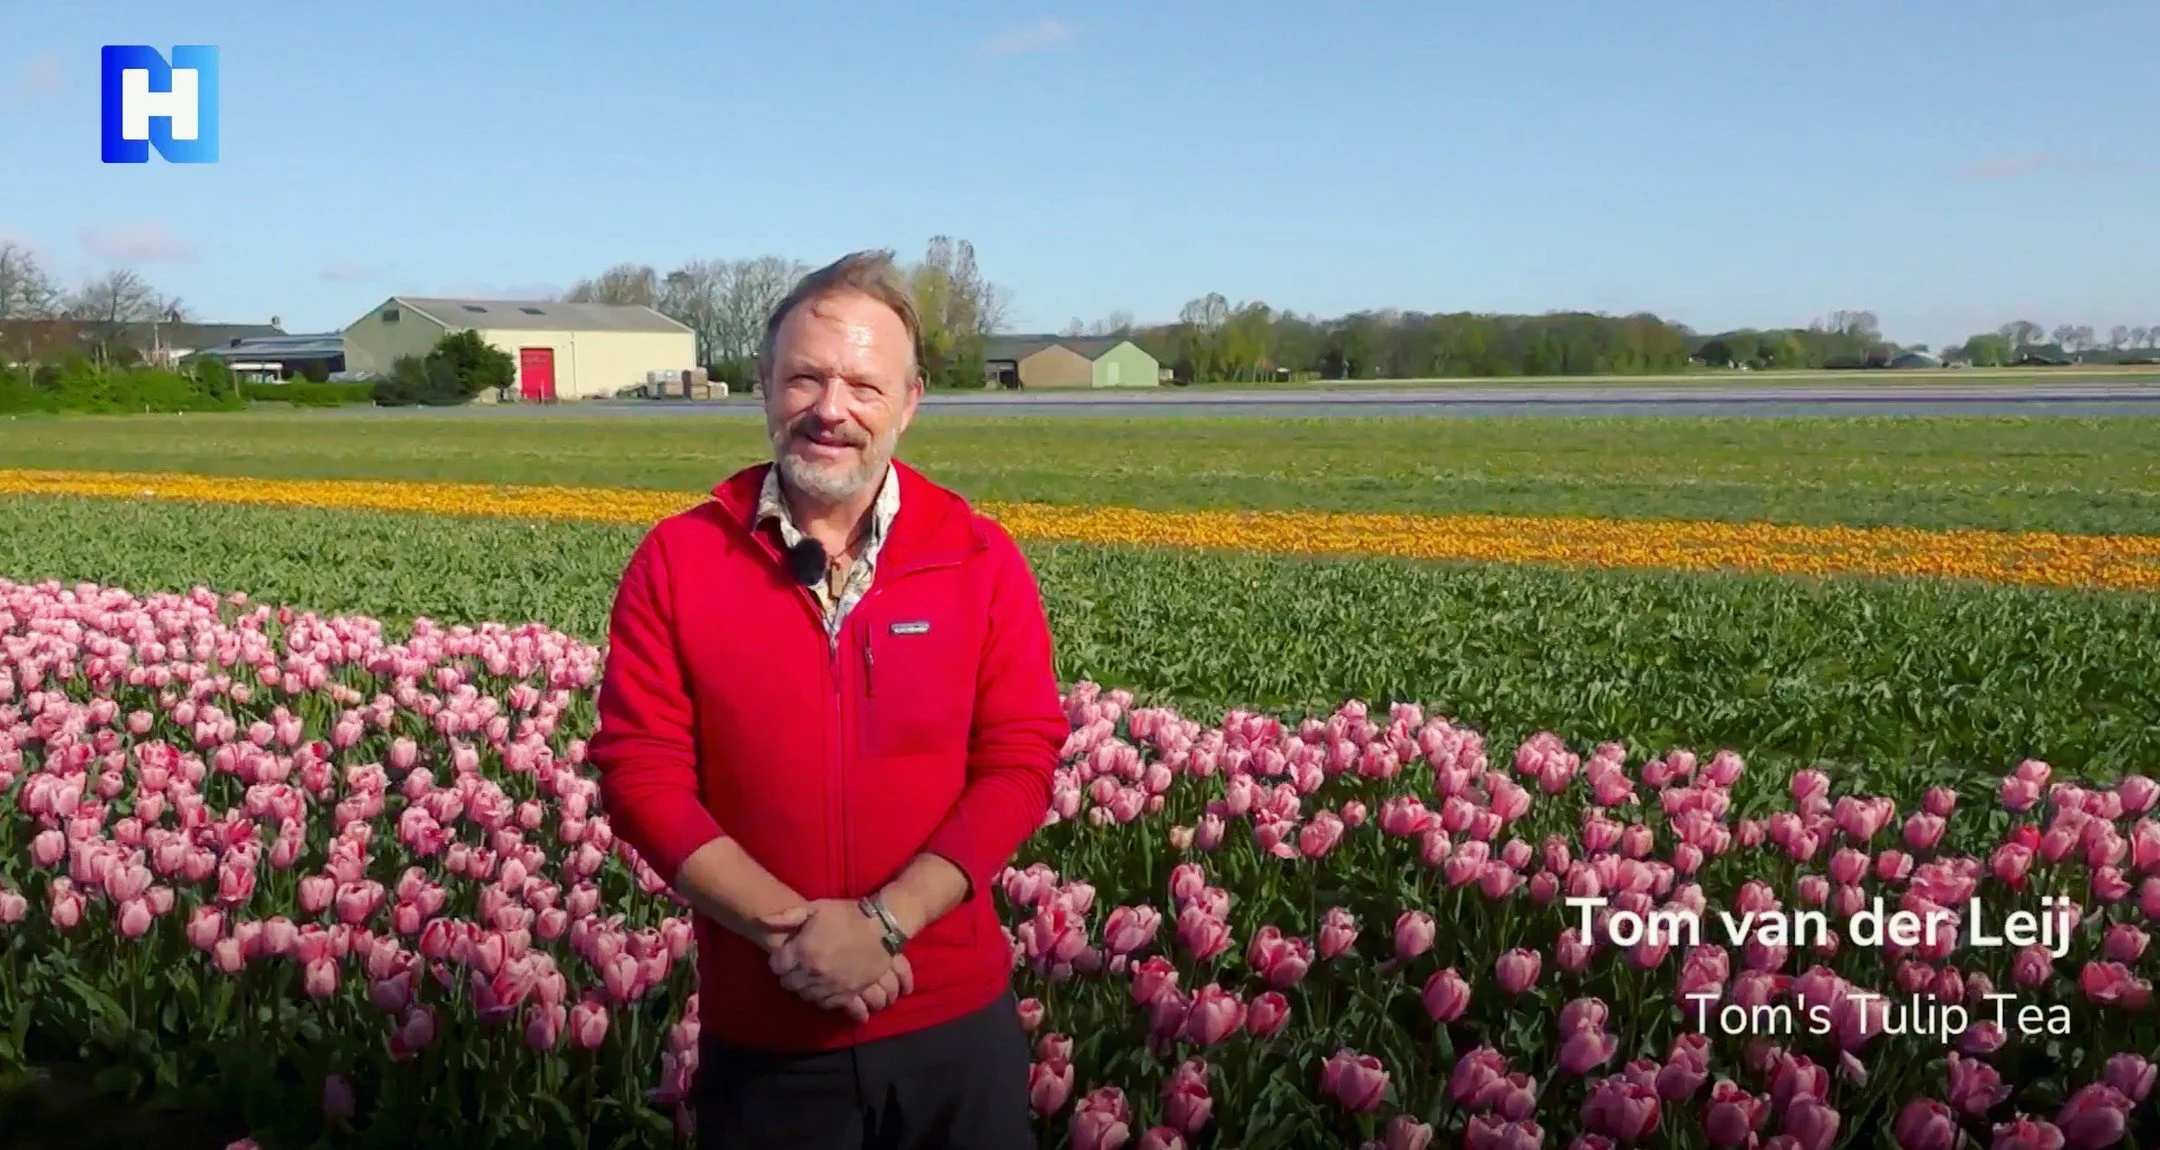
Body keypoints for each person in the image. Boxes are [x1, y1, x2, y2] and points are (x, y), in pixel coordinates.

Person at [590, 249, 1067, 1149]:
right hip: (771, 1032)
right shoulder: (681, 561)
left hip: (953, 1023)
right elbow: (640, 773)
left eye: (863, 384)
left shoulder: (977, 558)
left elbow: (1020, 759)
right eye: (805, 378)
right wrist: (800, 937)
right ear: (763, 386)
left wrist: (887, 924)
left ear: (911, 400)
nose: (831, 411)